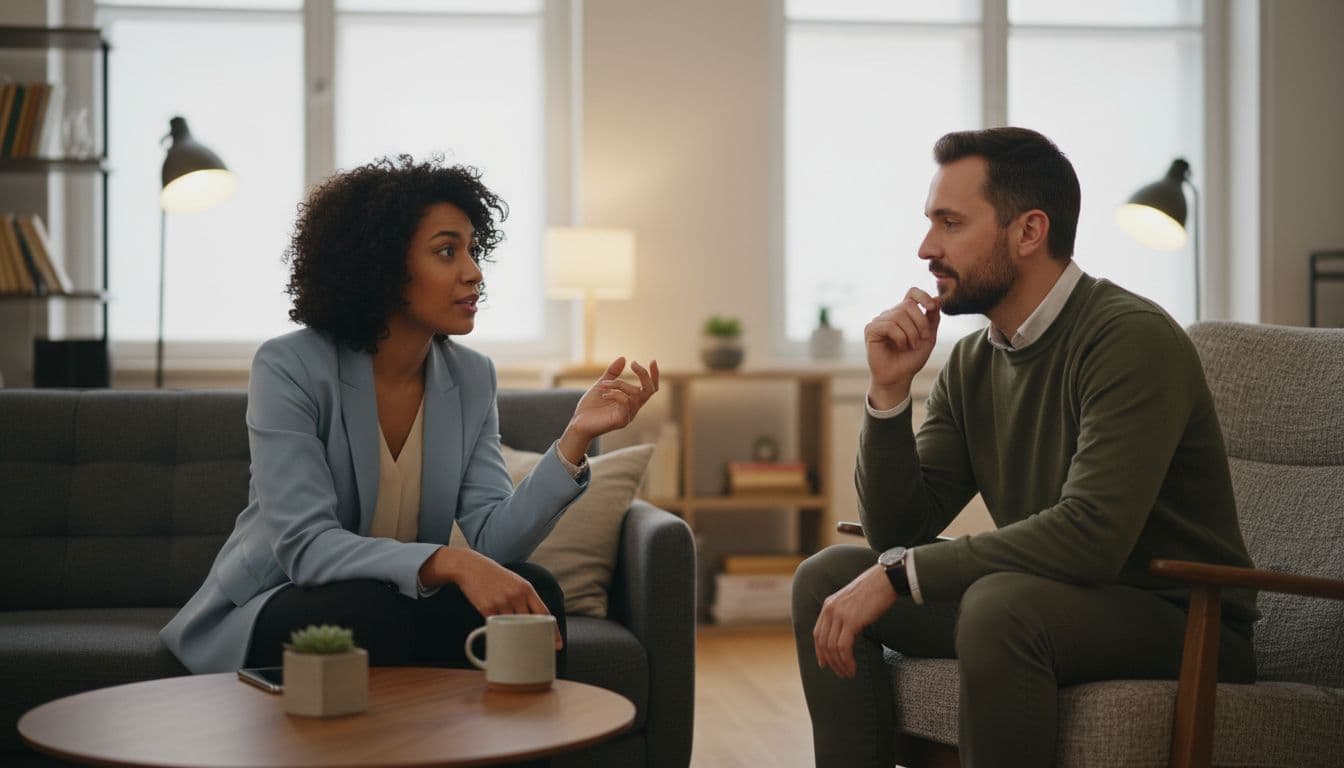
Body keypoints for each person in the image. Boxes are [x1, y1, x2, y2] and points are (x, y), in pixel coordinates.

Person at [791, 127, 1258, 768]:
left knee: (1000, 606)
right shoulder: (972, 363)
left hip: (1181, 618)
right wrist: (888, 394)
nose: (926, 248)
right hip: (1053, 597)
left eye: (950, 224)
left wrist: (902, 574)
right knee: (826, 578)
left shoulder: (1130, 340)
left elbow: (1091, 535)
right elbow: (897, 529)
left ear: (1029, 232)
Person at [162, 156, 659, 677]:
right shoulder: (289, 367)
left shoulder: (471, 377)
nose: (473, 272)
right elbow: (306, 548)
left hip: (397, 600)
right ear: (383, 266)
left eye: (472, 249)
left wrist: (574, 440)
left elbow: (493, 541)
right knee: (367, 613)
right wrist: (452, 562)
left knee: (536, 592)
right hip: (281, 599)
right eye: (447, 251)